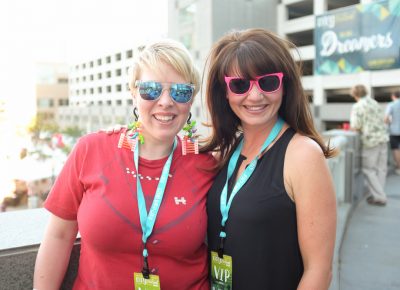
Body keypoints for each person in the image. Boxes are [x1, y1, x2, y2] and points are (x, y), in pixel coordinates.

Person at [33, 39, 216, 290]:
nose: (165, 101)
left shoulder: (206, 163)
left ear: (191, 100)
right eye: (151, 90)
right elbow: (59, 235)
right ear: (133, 93)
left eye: (180, 91)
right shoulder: (92, 150)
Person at [202, 28, 337, 290]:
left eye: (268, 82)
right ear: (225, 92)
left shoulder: (303, 155)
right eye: (240, 85)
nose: (255, 96)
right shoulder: (228, 150)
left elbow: (319, 271)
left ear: (284, 86)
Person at [349, 84, 389, 206]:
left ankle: (380, 197)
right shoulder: (375, 103)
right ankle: (378, 193)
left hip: (370, 141)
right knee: (381, 169)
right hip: (383, 138)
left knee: (368, 170)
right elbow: (383, 119)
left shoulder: (358, 106)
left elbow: (355, 126)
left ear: (355, 94)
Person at [385, 91, 400, 175]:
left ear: (393, 96)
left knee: (396, 149)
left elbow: (386, 118)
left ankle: (399, 167)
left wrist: (389, 122)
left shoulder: (391, 105)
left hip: (394, 131)